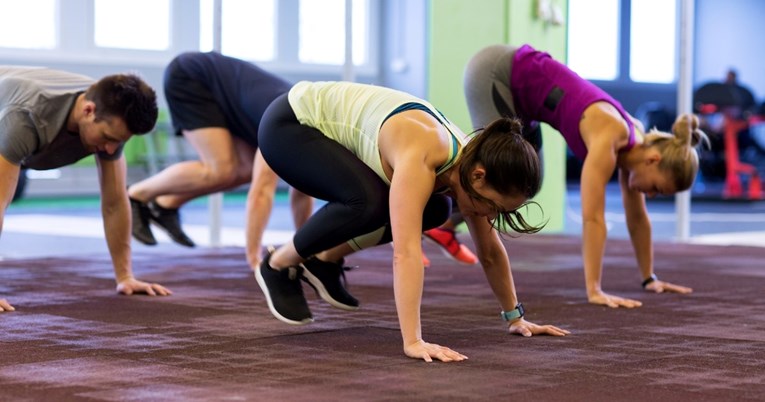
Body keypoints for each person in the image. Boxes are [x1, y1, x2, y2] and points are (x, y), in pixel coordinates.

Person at [252, 80, 569, 363]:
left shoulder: (473, 166)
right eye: (492, 207)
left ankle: (323, 261)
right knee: (369, 202)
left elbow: (490, 251)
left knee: (436, 210)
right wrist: (413, 341)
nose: (490, 216)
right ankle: (277, 264)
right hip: (290, 125)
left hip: (322, 134)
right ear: (478, 176)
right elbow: (405, 253)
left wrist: (515, 318)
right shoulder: (426, 151)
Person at [457, 43, 708, 308]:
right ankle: (438, 216)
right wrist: (594, 290)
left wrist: (649, 278)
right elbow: (593, 218)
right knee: (499, 177)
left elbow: (638, 218)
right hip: (496, 72)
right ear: (653, 159)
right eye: (657, 187)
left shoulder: (635, 145)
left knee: (528, 183)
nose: (652, 194)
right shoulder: (611, 135)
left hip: (522, 101)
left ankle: (446, 225)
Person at [0, 66, 171, 312]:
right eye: (108, 138)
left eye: (120, 142)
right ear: (88, 111)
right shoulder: (25, 117)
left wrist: (125, 277)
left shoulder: (111, 116)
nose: (112, 150)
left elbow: (114, 202)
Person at [126, 52, 313, 265]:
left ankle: (165, 206)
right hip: (192, 76)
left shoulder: (310, 134)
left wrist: (307, 252)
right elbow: (261, 193)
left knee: (244, 170)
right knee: (221, 170)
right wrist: (254, 259)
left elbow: (303, 192)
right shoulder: (288, 127)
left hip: (228, 95)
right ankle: (134, 196)